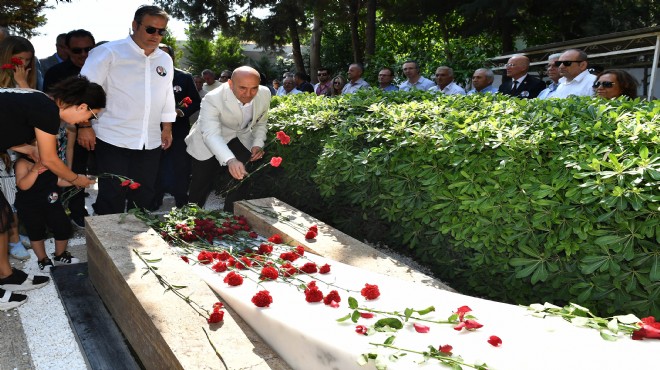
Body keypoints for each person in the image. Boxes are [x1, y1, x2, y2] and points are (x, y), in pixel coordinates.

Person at [0, 75, 102, 310]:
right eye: (91, 115)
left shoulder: (39, 100)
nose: (87, 120)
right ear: (82, 106)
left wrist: (26, 148)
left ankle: (6, 276)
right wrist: (77, 179)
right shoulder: (47, 110)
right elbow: (49, 159)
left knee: (2, 216)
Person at [80, 4, 176, 215]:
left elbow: (167, 95)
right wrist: (84, 125)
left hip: (149, 140)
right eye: (150, 29)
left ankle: (137, 240)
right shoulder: (108, 52)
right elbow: (84, 90)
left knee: (144, 194)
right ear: (135, 25)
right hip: (113, 136)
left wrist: (167, 127)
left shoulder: (164, 59)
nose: (156, 35)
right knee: (112, 194)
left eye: (161, 31)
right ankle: (106, 243)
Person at [185, 66, 271, 212]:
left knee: (242, 176)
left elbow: (261, 122)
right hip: (207, 140)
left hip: (239, 136)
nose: (249, 94)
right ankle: (192, 218)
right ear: (230, 84)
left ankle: (230, 216)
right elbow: (211, 134)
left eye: (254, 88)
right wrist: (230, 160)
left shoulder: (265, 93)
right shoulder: (212, 98)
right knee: (201, 182)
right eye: (243, 88)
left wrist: (257, 144)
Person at [43, 29, 97, 228]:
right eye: (77, 50)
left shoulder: (107, 67)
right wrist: (83, 126)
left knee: (107, 172)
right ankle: (75, 209)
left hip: (107, 131)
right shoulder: (56, 73)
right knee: (75, 170)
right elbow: (52, 108)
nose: (83, 54)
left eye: (88, 49)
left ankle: (105, 208)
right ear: (67, 50)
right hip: (72, 133)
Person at [153, 44, 201, 209]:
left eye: (165, 55)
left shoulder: (184, 77)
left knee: (180, 164)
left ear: (172, 58)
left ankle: (181, 197)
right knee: (155, 163)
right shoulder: (146, 76)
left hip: (178, 129)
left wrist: (180, 111)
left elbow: (195, 101)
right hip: (153, 129)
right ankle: (155, 197)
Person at [15, 153, 80, 271]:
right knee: (36, 232)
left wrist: (76, 180)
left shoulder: (52, 160)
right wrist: (35, 169)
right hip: (30, 206)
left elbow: (59, 180)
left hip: (52, 202)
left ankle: (60, 255)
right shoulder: (22, 163)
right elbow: (23, 185)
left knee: (63, 225)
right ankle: (42, 259)